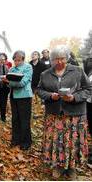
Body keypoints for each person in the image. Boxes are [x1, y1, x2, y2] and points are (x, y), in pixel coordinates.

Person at [37, 46, 91, 179]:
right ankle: (58, 166)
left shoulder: (77, 71)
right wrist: (50, 96)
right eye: (56, 59)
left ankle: (72, 167)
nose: (59, 62)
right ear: (52, 60)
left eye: (62, 58)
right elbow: (39, 90)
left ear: (67, 58)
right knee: (56, 141)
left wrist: (74, 97)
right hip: (54, 114)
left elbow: (88, 89)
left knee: (72, 141)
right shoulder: (45, 74)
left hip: (75, 115)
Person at [7, 50, 33, 150]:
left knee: (24, 120)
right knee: (15, 119)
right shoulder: (12, 68)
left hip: (24, 97)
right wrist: (7, 81)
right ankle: (15, 139)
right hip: (13, 96)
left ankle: (26, 142)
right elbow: (9, 81)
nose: (17, 62)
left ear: (23, 59)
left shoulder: (28, 67)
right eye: (15, 60)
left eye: (19, 60)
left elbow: (23, 83)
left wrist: (9, 81)